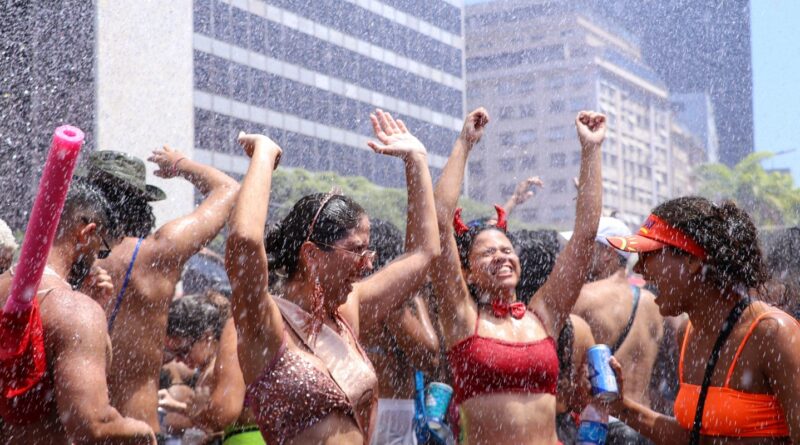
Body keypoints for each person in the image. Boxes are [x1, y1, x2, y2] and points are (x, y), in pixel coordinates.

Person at [225, 109, 439, 444]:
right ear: (311, 254)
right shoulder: (264, 322)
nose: (368, 264)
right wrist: (264, 155)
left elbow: (423, 255)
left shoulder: (346, 314)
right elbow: (244, 242)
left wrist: (417, 160)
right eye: (356, 250)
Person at [429, 108, 604, 444]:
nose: (502, 257)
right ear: (467, 272)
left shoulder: (543, 315)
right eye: (487, 253)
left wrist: (591, 151)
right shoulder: (462, 319)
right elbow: (438, 224)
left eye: (507, 250)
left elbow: (584, 236)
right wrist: (465, 144)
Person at [606, 197, 800, 443]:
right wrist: (621, 407)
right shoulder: (687, 333)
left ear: (693, 260)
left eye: (649, 255)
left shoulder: (773, 334)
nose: (639, 269)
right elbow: (696, 438)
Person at [80, 148, 240, 434]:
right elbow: (228, 189)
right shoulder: (155, 256)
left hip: (69, 432)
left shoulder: (63, 261)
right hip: (135, 432)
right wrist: (180, 165)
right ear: (142, 206)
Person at [0, 182, 155, 444]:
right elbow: (91, 425)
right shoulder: (76, 311)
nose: (98, 259)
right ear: (86, 232)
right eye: (102, 249)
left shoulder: (5, 285)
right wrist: (142, 431)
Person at [570, 217, 662, 444]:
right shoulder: (655, 304)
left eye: (587, 247)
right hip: (644, 424)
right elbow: (663, 375)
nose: (580, 255)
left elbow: (567, 370)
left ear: (607, 252)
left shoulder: (583, 297)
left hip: (601, 426)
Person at [361, 219, 440, 445]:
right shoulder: (391, 300)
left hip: (377, 409)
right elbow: (428, 357)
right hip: (391, 412)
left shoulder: (351, 292)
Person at [513, 229, 595, 445]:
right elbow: (583, 399)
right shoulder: (579, 329)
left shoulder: (500, 326)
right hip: (561, 430)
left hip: (511, 428)